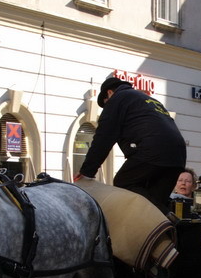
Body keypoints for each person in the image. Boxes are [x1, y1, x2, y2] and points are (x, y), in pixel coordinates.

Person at [76, 76, 187, 210]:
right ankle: (165, 221)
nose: (106, 106)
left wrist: (87, 172)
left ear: (110, 93)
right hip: (178, 156)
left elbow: (103, 138)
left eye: (105, 102)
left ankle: (164, 212)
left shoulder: (118, 99)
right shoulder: (147, 100)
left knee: (123, 182)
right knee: (154, 199)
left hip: (152, 150)